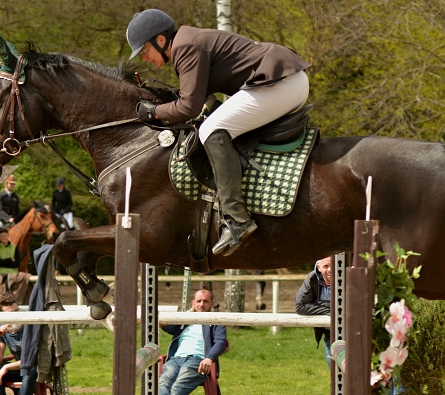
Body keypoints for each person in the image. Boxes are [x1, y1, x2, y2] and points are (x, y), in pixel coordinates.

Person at [126, 9, 311, 257]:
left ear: (160, 40)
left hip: (280, 83)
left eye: (144, 51)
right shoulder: (188, 41)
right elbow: (200, 103)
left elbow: (188, 107)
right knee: (214, 123)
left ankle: (236, 218)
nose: (145, 59)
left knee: (211, 129)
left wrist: (154, 113)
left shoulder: (185, 47)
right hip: (286, 82)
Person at [158, 288, 228, 395]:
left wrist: (209, 358)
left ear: (212, 304)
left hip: (198, 360)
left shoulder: (216, 320)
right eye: (198, 301)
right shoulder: (185, 320)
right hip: (176, 359)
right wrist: (188, 314)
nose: (201, 304)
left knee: (179, 384)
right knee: (164, 382)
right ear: (193, 303)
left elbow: (221, 342)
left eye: (206, 301)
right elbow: (166, 326)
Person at [295, 257, 332, 366]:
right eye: (326, 266)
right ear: (318, 267)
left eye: (333, 265)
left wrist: (320, 305)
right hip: (330, 334)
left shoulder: (348, 275)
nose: (330, 270)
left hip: (351, 333)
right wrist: (330, 309)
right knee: (335, 372)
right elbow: (300, 306)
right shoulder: (312, 278)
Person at [0, 174, 20, 240]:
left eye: (14, 184)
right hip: (0, 219)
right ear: (6, 184)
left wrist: (15, 219)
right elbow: (0, 210)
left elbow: (18, 211)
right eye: (11, 184)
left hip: (11, 221)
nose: (12, 185)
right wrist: (8, 218)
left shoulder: (15, 197)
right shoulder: (1, 195)